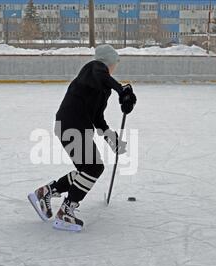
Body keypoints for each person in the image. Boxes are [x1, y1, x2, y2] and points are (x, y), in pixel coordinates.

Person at [28, 44, 137, 232]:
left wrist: (111, 138)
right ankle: (66, 211)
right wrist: (122, 90)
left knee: (86, 169)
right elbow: (101, 74)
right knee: (93, 168)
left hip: (73, 125)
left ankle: (45, 192)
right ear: (108, 62)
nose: (115, 67)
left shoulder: (102, 88)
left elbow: (97, 118)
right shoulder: (93, 68)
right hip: (71, 124)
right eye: (114, 63)